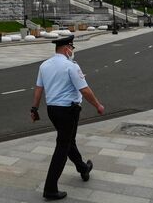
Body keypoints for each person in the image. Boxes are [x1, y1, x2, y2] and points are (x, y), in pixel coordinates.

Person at [30, 35, 104, 200]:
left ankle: (83, 168)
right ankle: (50, 188)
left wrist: (34, 108)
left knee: (68, 141)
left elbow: (38, 89)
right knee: (63, 145)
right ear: (66, 48)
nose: (72, 51)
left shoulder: (44, 65)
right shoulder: (71, 66)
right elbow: (85, 90)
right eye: (72, 48)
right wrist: (98, 105)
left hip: (52, 110)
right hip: (68, 111)